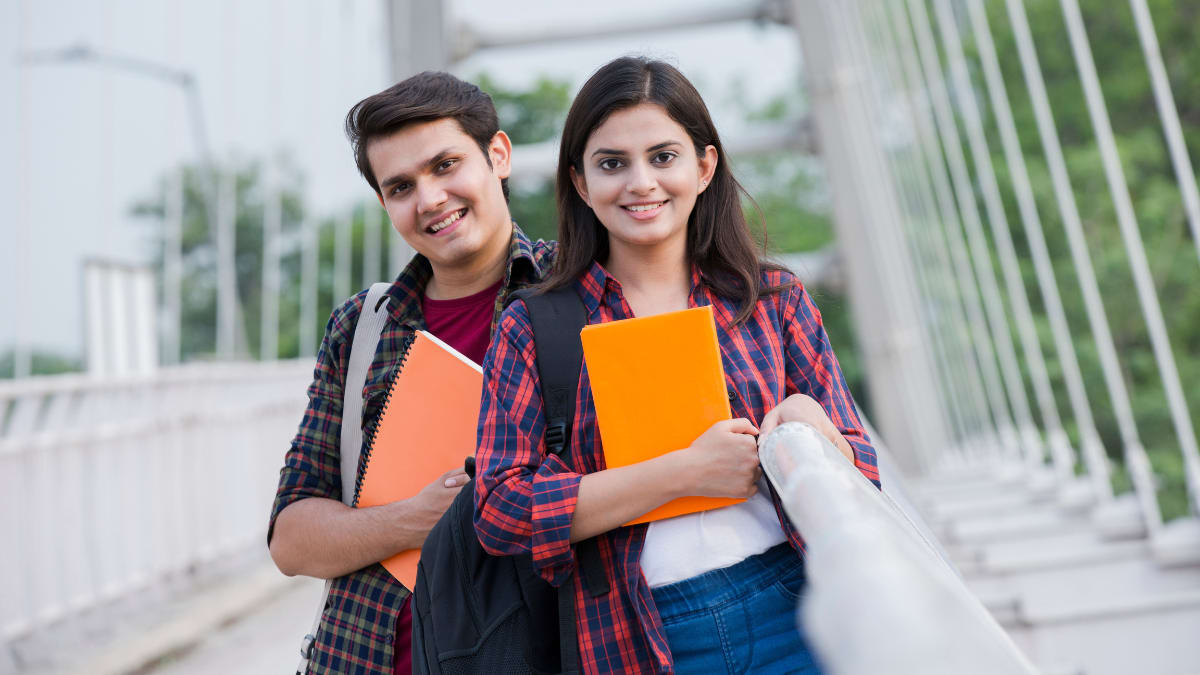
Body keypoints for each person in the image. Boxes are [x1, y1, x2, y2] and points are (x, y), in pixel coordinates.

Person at [473, 56, 880, 675]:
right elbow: (502, 511)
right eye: (612, 163)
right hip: (637, 633)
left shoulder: (771, 300)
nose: (641, 183)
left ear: (704, 166)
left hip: (797, 605)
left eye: (663, 157)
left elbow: (862, 469)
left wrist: (807, 425)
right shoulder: (533, 327)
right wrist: (686, 472)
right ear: (581, 182)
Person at [268, 71, 556, 674]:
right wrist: (414, 519)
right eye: (401, 186)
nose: (429, 199)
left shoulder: (580, 294)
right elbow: (291, 538)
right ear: (384, 203)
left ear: (497, 156)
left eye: (446, 165)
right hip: (367, 658)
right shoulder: (363, 326)